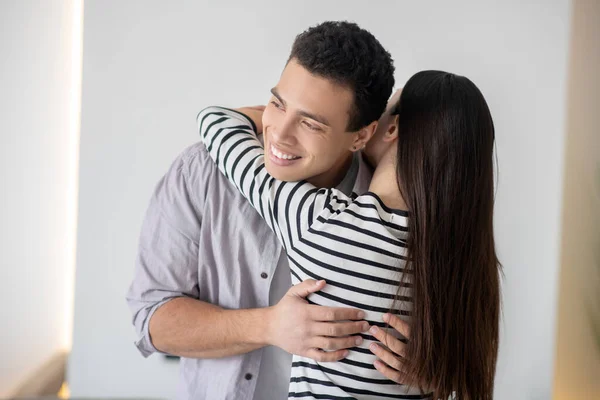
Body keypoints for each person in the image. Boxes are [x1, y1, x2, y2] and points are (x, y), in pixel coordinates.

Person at [126, 21, 398, 400]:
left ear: (362, 135)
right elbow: (151, 321)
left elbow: (450, 336)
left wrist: (426, 362)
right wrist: (269, 327)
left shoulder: (394, 212)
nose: (279, 134)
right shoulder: (202, 172)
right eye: (277, 103)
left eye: (310, 123)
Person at [197, 70, 501, 399]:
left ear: (393, 128)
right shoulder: (462, 262)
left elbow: (216, 122)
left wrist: (283, 114)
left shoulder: (321, 221)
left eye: (384, 108)